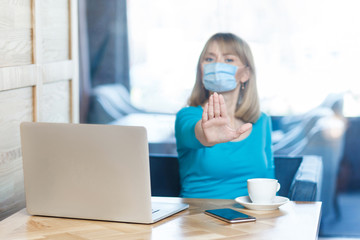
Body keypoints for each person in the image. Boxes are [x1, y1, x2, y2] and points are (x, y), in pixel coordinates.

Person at [175, 33, 274, 199]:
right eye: (209, 59)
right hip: (199, 218)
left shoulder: (262, 121)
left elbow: (269, 181)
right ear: (201, 70)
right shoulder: (187, 115)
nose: (217, 65)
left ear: (245, 74)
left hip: (250, 219)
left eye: (228, 60)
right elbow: (196, 133)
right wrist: (206, 134)